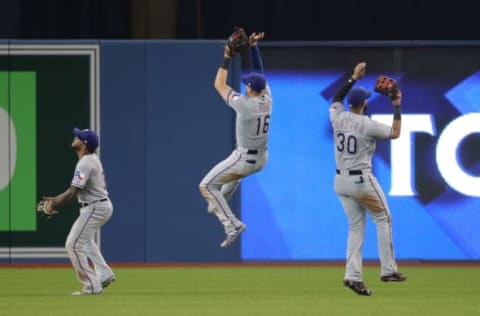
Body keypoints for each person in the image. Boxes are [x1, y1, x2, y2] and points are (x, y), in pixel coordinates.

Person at [329, 62, 407, 296]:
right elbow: (395, 133)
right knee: (383, 217)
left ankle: (353, 276)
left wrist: (353, 77)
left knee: (355, 227)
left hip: (340, 182)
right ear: (364, 104)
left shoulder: (337, 117)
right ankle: (388, 269)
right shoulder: (368, 124)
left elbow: (336, 98)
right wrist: (396, 105)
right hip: (361, 181)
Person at [199, 31, 272, 248]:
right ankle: (221, 199)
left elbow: (219, 85)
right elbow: (259, 72)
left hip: (244, 158)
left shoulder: (245, 104)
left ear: (251, 89)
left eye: (248, 84)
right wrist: (254, 47)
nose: (246, 85)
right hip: (261, 159)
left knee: (205, 186)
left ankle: (232, 224)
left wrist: (227, 57)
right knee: (233, 176)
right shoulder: (267, 98)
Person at [40, 128, 115, 295]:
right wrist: (55, 200)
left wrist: (53, 203)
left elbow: (73, 192)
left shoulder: (85, 162)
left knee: (73, 244)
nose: (75, 137)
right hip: (99, 205)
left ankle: (91, 285)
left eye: (79, 137)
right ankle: (104, 274)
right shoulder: (90, 159)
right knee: (85, 241)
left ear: (85, 145)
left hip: (95, 207)